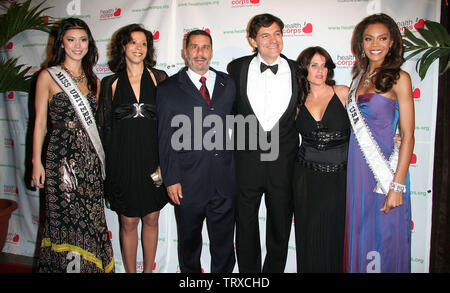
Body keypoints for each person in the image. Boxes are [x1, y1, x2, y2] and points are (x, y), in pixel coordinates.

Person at [32, 18, 114, 273]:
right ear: (62, 44)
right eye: (71, 39)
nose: (77, 45)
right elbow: (39, 124)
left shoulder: (94, 81)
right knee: (64, 217)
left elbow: (97, 125)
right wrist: (36, 162)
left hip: (89, 158)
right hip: (61, 158)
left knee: (91, 217)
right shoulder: (48, 76)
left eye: (83, 39)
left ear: (89, 43)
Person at [157, 30, 238, 273]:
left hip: (224, 180)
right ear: (185, 52)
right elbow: (165, 138)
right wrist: (171, 179)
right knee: (190, 244)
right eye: (194, 47)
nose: (200, 53)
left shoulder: (228, 83)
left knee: (224, 245)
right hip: (187, 182)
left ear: (212, 51)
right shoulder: (168, 88)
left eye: (205, 47)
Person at [227, 13, 299, 273]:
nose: (273, 40)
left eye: (277, 33)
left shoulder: (297, 70)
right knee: (245, 222)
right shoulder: (236, 68)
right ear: (252, 40)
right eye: (265, 35)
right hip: (246, 159)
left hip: (284, 159)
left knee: (280, 222)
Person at [344, 13, 414, 273]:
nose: (375, 44)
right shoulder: (359, 78)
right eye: (369, 38)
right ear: (360, 43)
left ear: (392, 42)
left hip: (385, 169)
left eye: (382, 38)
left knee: (385, 236)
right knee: (361, 233)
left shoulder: (400, 77)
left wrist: (396, 185)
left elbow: (408, 135)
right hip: (357, 168)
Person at [96, 24, 169, 273]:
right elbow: (103, 128)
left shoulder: (159, 79)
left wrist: (166, 162)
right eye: (133, 42)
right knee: (127, 222)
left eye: (143, 44)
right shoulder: (109, 84)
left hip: (153, 160)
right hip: (122, 162)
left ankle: (148, 271)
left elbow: (169, 126)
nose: (138, 48)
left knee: (151, 217)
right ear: (123, 46)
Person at [293, 47, 349, 273]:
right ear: (304, 68)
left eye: (324, 65)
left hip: (340, 178)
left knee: (335, 235)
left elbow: (368, 127)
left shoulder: (343, 93)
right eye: (314, 65)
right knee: (309, 236)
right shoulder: (297, 102)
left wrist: (392, 136)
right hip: (306, 178)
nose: (320, 70)